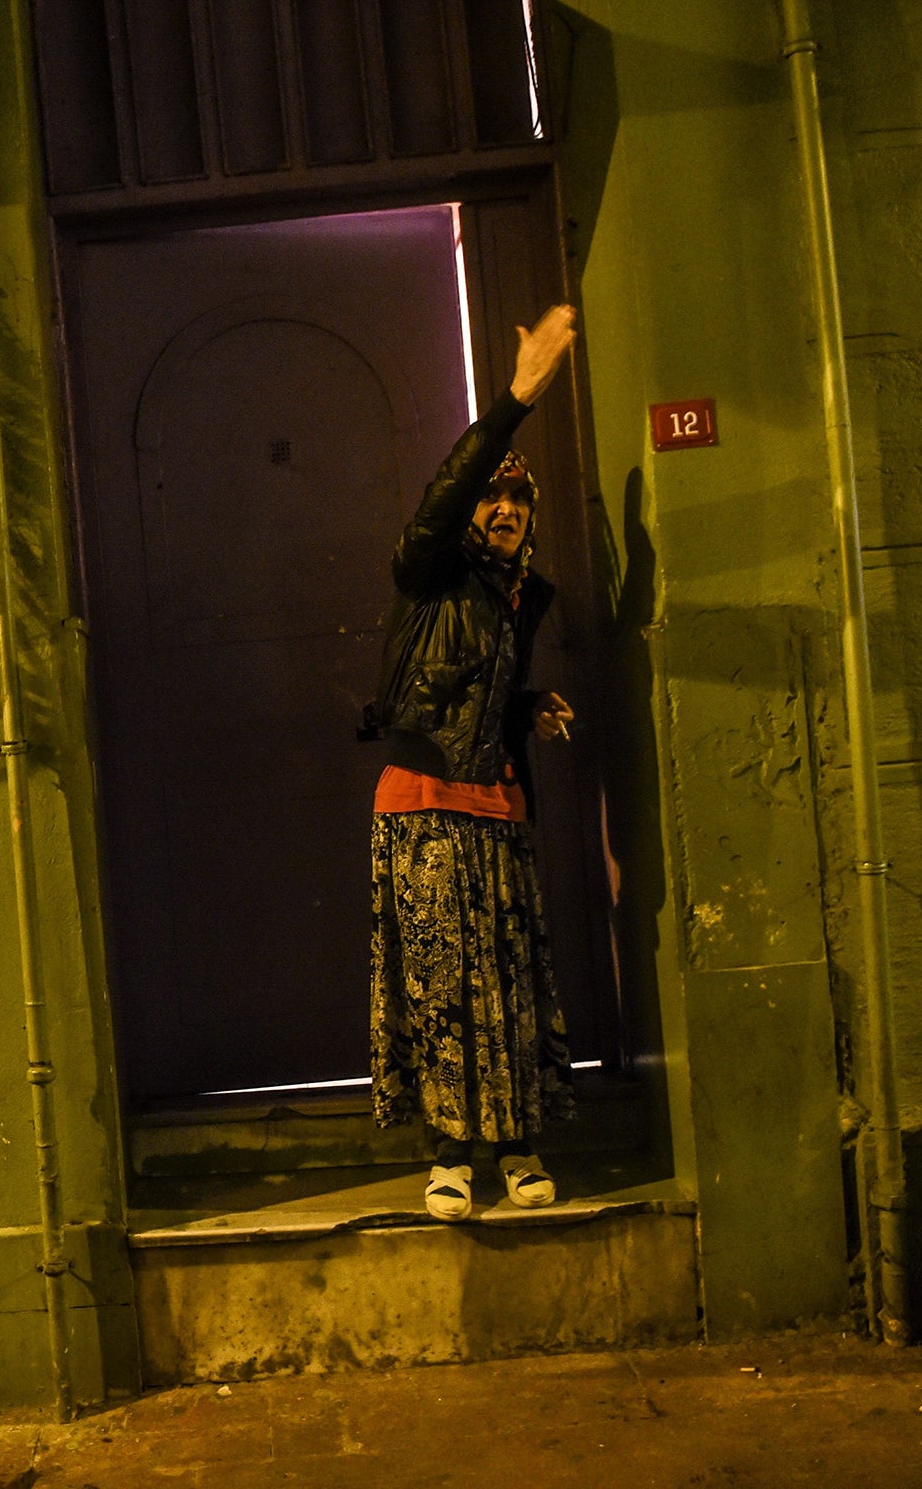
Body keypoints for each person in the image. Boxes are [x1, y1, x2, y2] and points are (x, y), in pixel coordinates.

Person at [366, 302, 581, 1223]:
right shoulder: (430, 572)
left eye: (518, 497)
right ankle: (451, 1153)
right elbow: (437, 506)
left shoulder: (527, 597)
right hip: (421, 805)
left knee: (507, 985)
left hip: (496, 805)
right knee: (439, 985)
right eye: (490, 495)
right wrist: (514, 402)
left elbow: (483, 691)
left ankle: (518, 1146)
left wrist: (531, 709)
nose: (500, 509)